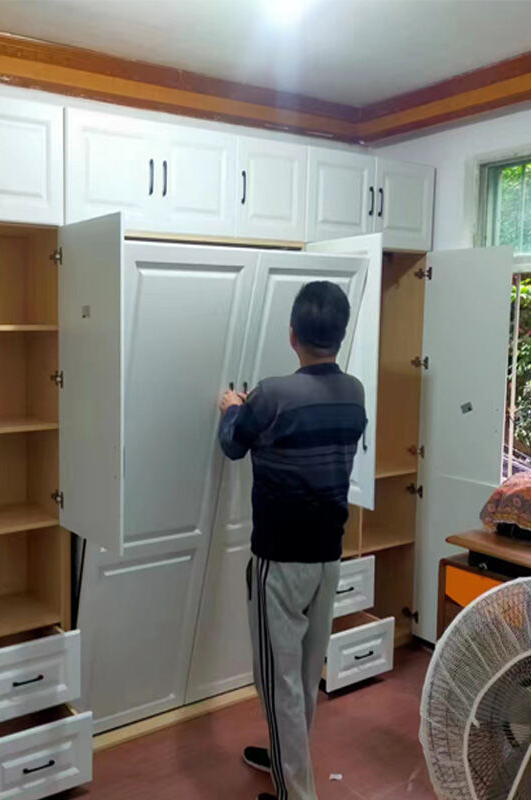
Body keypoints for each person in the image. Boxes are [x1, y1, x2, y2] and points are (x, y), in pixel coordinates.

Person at [218, 281, 367, 800]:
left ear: (292, 335)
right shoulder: (354, 392)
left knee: (276, 681)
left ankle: (296, 793)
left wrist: (231, 407)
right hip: (328, 558)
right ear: (341, 336)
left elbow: (233, 445)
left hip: (278, 562)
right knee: (303, 678)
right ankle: (289, 759)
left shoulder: (273, 393)